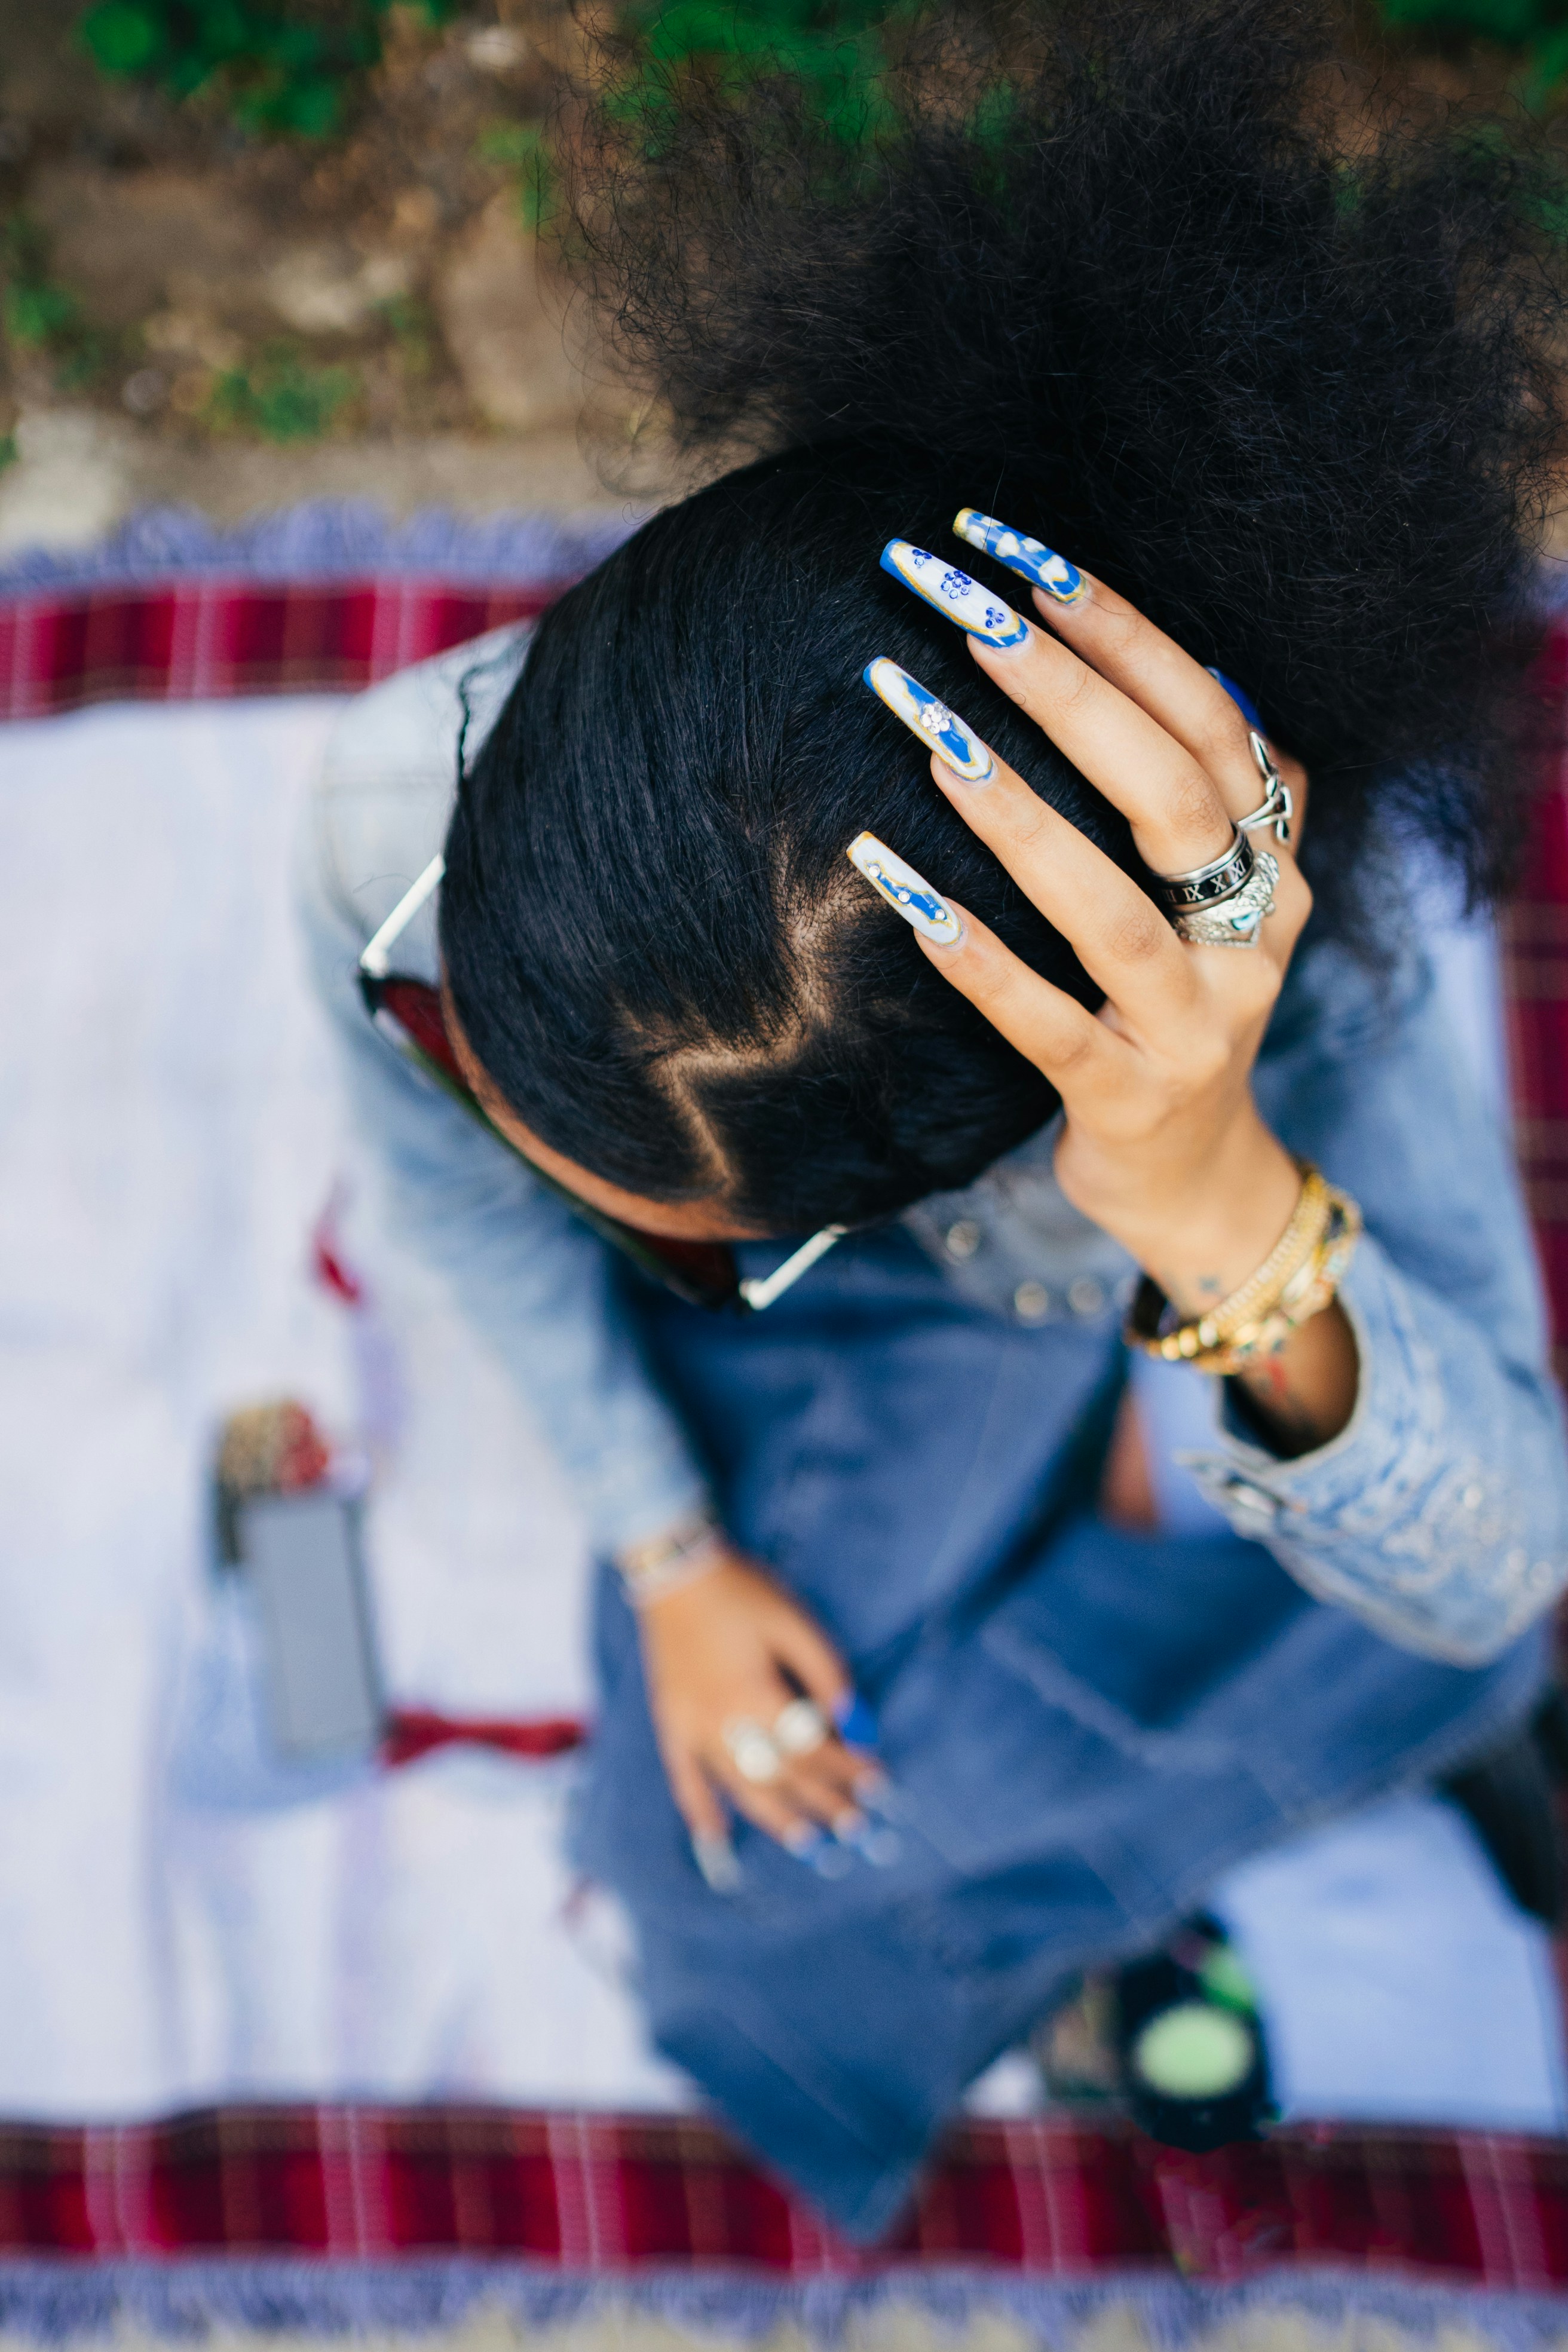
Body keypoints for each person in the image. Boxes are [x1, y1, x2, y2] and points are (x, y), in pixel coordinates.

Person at [301, 0, 1568, 2235]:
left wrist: (1214, 1205)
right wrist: (670, 1555)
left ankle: (1276, 1750)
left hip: (1030, 1297)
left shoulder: (1294, 996)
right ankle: (1288, 1756)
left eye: (699, 1249)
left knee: (744, 1887)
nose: (479, 1117)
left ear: (990, 1137)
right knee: (721, 1865)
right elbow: (463, 1208)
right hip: (932, 1358)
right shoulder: (399, 821)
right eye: (468, 1049)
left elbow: (1502, 1549)